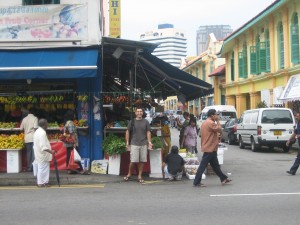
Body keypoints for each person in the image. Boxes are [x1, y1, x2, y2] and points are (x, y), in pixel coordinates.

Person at [193, 109, 231, 187]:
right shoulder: (210, 122)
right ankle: (196, 182)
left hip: (211, 147)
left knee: (215, 165)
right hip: (209, 147)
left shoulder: (205, 122)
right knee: (203, 166)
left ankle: (223, 178)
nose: (217, 116)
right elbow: (220, 130)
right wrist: (218, 121)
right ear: (212, 115)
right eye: (216, 114)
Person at [124, 107, 153, 183]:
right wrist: (127, 142)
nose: (139, 113)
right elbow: (127, 131)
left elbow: (148, 132)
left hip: (143, 143)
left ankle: (139, 175)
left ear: (142, 113)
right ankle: (129, 174)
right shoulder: (132, 121)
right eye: (138, 111)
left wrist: (149, 142)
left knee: (142, 161)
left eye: (141, 111)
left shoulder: (146, 121)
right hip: (134, 143)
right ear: (135, 113)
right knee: (133, 161)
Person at [63, 110, 90, 175]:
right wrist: (74, 142)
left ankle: (69, 170)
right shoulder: (71, 123)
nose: (75, 116)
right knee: (76, 156)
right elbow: (72, 133)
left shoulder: (67, 122)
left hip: (68, 142)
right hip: (72, 142)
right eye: (74, 114)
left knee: (69, 156)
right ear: (71, 116)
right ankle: (81, 170)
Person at [33, 119, 56, 187]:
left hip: (39, 153)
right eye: (47, 123)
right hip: (42, 154)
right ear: (44, 125)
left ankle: (44, 182)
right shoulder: (42, 133)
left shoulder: (37, 131)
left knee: (42, 168)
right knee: (42, 168)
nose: (47, 125)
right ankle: (41, 183)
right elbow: (43, 146)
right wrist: (51, 151)